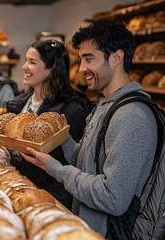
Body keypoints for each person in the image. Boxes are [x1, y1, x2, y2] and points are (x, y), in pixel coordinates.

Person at [20, 20, 158, 237]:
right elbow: (88, 164)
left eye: (89, 59)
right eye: (81, 59)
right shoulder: (104, 104)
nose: (82, 68)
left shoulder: (132, 116)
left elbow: (113, 198)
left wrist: (56, 168)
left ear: (117, 58)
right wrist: (64, 139)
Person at [5, 40, 94, 210]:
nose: (24, 66)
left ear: (52, 68)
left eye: (32, 62)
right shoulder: (18, 104)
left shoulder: (71, 110)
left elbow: (76, 162)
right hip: (17, 189)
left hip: (50, 199)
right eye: (26, 60)